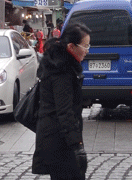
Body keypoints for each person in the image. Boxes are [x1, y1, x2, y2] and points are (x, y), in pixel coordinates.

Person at [32, 22, 91, 180]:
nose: (87, 51)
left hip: (58, 138)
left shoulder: (59, 62)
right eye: (85, 46)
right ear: (71, 47)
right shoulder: (62, 70)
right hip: (59, 141)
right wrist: (77, 146)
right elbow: (64, 111)